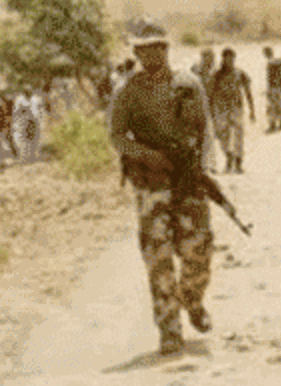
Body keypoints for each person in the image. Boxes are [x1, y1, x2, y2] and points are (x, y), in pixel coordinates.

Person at [109, 20, 214, 356]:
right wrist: (147, 156)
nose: (147, 55)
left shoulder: (189, 84)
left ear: (165, 48)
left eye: (153, 48)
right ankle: (169, 329)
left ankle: (192, 299)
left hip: (187, 179)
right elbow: (116, 135)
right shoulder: (127, 90)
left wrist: (204, 170)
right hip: (151, 184)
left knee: (199, 252)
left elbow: (205, 131)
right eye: (141, 49)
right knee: (159, 257)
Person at [207, 48, 255, 174]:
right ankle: (229, 156)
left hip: (236, 107)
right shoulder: (216, 75)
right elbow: (210, 93)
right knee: (222, 135)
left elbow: (248, 92)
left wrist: (252, 109)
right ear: (223, 59)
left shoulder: (240, 73)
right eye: (226, 58)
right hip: (221, 108)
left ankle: (238, 162)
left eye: (231, 58)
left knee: (239, 135)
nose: (229, 61)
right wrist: (210, 111)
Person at [190, 48, 219, 172]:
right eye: (207, 57)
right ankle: (199, 163)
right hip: (197, 104)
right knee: (198, 135)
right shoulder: (195, 69)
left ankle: (209, 164)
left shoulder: (216, 70)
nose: (210, 60)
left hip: (211, 105)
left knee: (210, 135)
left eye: (211, 57)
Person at [11, 87, 43, 164]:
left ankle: (32, 156)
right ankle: (24, 157)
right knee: (23, 139)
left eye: (29, 90)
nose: (28, 92)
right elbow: (16, 111)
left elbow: (40, 110)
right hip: (23, 121)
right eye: (26, 90)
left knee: (33, 138)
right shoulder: (20, 99)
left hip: (34, 121)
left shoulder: (35, 99)